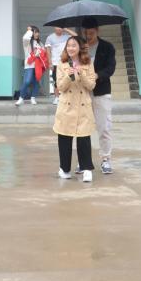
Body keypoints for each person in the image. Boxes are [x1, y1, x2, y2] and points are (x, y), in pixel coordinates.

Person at [54, 36, 97, 182]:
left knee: (84, 138)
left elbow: (91, 85)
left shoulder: (88, 63)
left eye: (74, 45)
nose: (71, 48)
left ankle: (87, 169)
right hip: (66, 106)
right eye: (68, 45)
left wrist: (82, 74)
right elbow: (60, 87)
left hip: (83, 106)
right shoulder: (61, 64)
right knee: (64, 138)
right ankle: (64, 169)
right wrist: (69, 75)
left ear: (80, 47)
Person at [83, 18, 116, 174]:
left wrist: (97, 75)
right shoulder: (80, 47)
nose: (89, 36)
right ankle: (84, 161)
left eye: (91, 33)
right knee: (83, 129)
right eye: (86, 33)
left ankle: (106, 159)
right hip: (83, 92)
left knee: (104, 128)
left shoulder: (107, 47)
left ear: (97, 31)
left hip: (102, 92)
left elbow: (110, 68)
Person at [44, 26, 76, 105]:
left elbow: (76, 36)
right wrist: (50, 63)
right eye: (57, 27)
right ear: (54, 28)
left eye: (60, 27)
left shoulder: (67, 37)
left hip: (66, 62)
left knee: (70, 78)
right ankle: (56, 97)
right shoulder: (50, 37)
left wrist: (66, 29)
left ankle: (68, 96)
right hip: (55, 63)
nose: (59, 28)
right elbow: (48, 51)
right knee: (56, 80)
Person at [17, 26, 47, 105]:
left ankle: (33, 98)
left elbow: (44, 52)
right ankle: (21, 98)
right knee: (27, 81)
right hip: (29, 65)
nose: (37, 34)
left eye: (38, 32)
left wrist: (40, 53)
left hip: (38, 65)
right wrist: (30, 30)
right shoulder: (27, 42)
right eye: (35, 32)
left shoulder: (40, 43)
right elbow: (25, 37)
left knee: (36, 82)